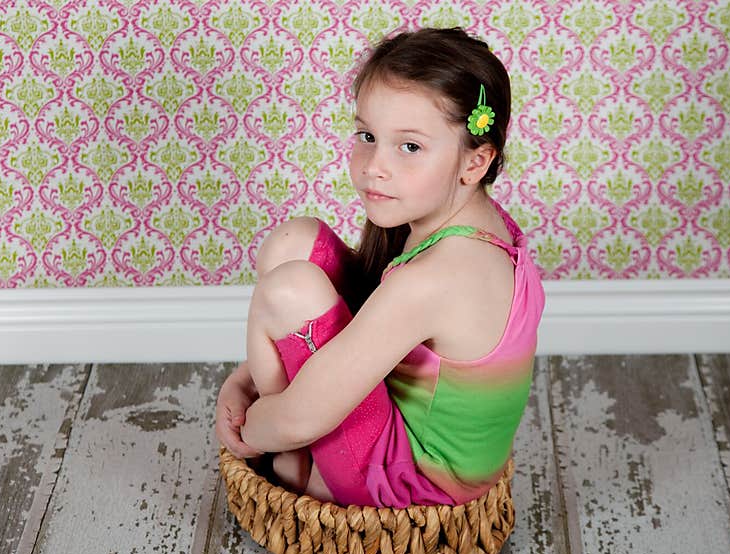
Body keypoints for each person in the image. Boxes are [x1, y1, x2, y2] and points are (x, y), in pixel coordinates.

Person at [215, 26, 545, 509]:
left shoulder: (438, 277)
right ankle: (305, 452)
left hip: (411, 485)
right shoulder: (475, 222)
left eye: (409, 147)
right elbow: (372, 332)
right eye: (368, 136)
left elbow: (300, 414)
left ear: (474, 163)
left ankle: (296, 465)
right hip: (399, 423)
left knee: (288, 289)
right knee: (295, 242)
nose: (374, 166)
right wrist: (243, 379)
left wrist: (255, 427)